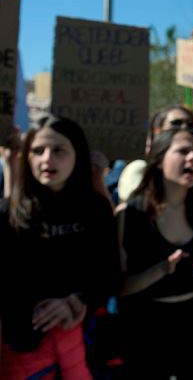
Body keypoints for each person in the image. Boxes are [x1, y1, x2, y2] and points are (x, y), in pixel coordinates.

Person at [0, 116, 120, 380]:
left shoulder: (96, 209)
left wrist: (76, 301)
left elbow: (110, 274)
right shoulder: (7, 213)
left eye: (58, 151)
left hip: (83, 344)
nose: (46, 159)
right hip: (23, 348)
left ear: (77, 154)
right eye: (37, 151)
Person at [118, 128, 193, 379]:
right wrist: (161, 269)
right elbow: (119, 287)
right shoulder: (131, 214)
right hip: (146, 328)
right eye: (183, 151)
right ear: (159, 160)